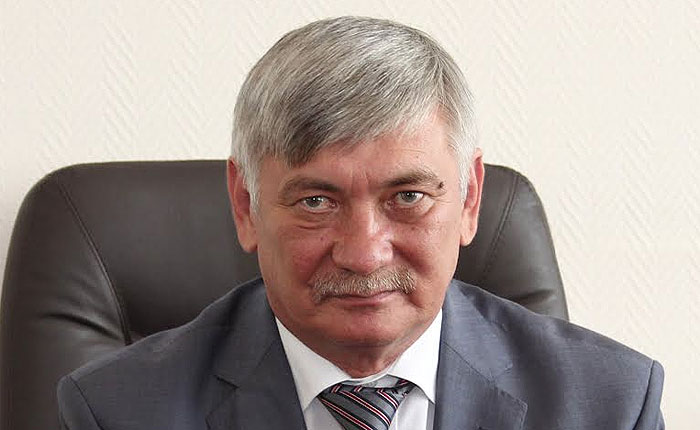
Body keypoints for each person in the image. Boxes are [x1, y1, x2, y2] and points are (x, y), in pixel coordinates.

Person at [57, 16, 664, 430]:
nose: (365, 253)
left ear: (469, 199)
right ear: (245, 205)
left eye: (408, 196)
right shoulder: (118, 411)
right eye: (316, 203)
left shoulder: (611, 405)